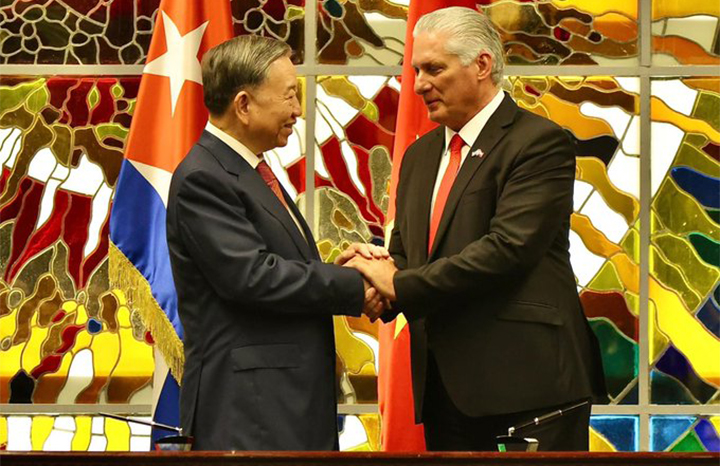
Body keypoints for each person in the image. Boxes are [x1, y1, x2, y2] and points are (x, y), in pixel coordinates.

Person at [346, 7, 606, 451]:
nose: (419, 84)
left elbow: (508, 249)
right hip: (446, 392)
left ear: (482, 65)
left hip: (529, 387)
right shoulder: (419, 155)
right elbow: (409, 254)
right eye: (415, 70)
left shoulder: (539, 142)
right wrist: (371, 273)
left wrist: (397, 284)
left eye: (434, 69)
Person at [166, 35, 385, 451]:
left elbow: (275, 263)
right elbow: (252, 277)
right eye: (289, 96)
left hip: (282, 404)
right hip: (251, 411)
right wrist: (356, 284)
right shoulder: (204, 177)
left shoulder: (247, 170)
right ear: (243, 105)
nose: (299, 110)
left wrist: (341, 267)